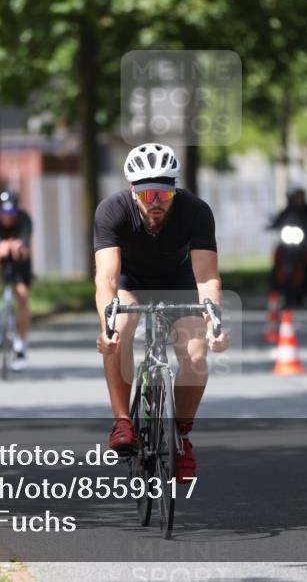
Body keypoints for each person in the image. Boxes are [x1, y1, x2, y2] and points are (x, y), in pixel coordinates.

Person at [94, 143, 231, 483]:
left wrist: (214, 323)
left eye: (164, 195)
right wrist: (107, 326)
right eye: (148, 194)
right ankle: (123, 421)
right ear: (132, 190)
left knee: (196, 351)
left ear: (175, 190)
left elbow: (207, 277)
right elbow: (106, 278)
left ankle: (180, 438)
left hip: (179, 281)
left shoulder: (196, 211)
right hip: (132, 280)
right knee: (121, 328)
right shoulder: (111, 211)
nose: (156, 203)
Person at [0, 188, 33, 370]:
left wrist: (18, 248)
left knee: (23, 296)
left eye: (11, 213)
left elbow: (25, 249)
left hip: (18, 261)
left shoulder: (25, 220)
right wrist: (1, 249)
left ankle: (20, 346)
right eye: (4, 213)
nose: (7, 217)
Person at [268, 186, 307, 297]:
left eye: (300, 197)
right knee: (277, 254)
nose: (298, 199)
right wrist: (272, 225)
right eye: (296, 197)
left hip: (304, 243)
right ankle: (275, 283)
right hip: (288, 243)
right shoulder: (287, 211)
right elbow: (278, 221)